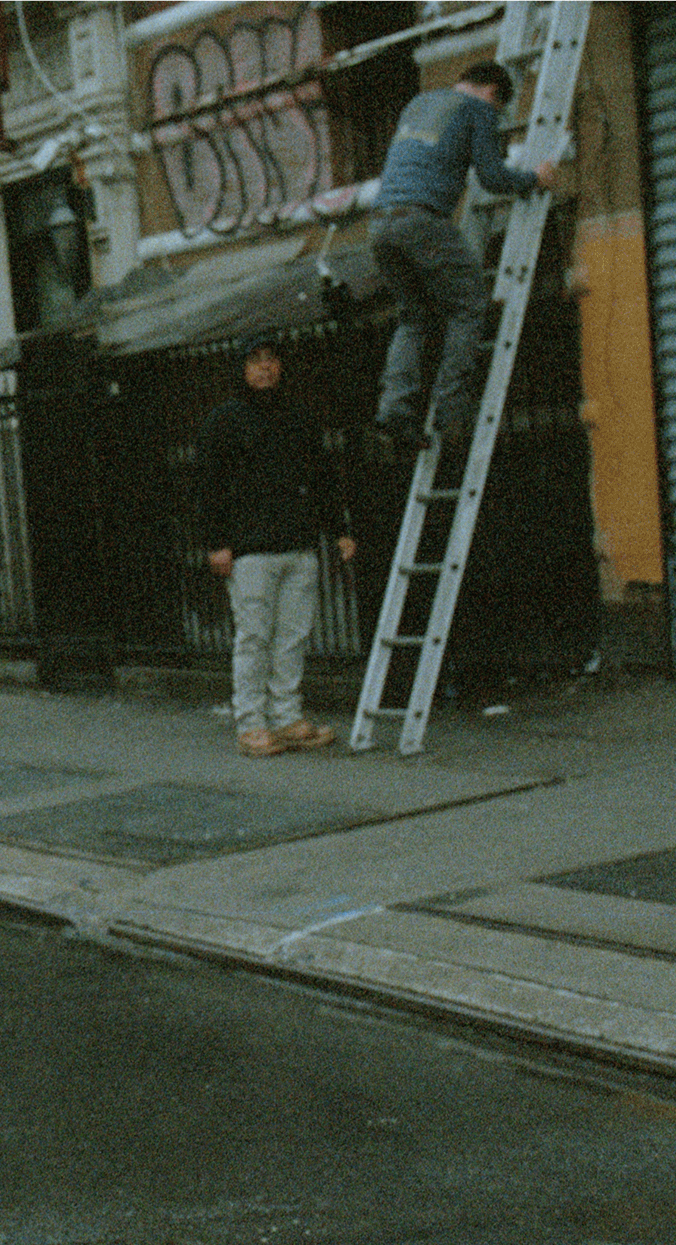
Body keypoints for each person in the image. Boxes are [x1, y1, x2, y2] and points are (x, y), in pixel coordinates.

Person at [371, 59, 558, 451]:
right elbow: (492, 178)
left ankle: (395, 410)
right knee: (470, 303)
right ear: (492, 93)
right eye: (498, 105)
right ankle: (451, 409)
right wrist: (533, 180)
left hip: (381, 223)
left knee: (414, 317)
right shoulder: (478, 110)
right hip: (421, 220)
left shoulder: (419, 104)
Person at [198, 340, 356, 757]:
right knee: (254, 637)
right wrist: (216, 543)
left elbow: (321, 474)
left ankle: (286, 717)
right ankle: (251, 723)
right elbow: (209, 486)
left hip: (298, 545)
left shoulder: (299, 417)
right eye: (255, 361)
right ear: (241, 370)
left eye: (271, 360)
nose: (265, 368)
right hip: (250, 551)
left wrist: (337, 529)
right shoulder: (223, 421)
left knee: (293, 636)